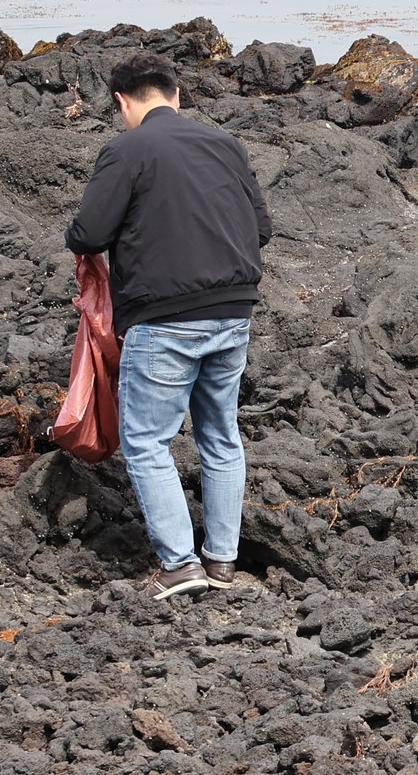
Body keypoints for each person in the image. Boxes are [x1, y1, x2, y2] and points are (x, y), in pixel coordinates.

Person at [65, 50, 272, 600]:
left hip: (164, 321)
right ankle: (222, 560)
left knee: (147, 441)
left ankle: (179, 566)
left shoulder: (126, 148)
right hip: (233, 313)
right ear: (176, 95)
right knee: (221, 435)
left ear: (121, 101)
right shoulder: (226, 145)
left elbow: (87, 234)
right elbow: (262, 228)